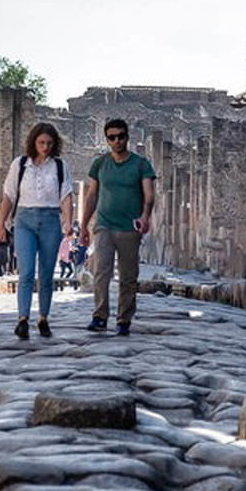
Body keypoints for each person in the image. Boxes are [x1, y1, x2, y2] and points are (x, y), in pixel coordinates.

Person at [0, 122, 74, 339]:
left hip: (50, 220)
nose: (45, 147)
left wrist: (68, 222)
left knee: (46, 274)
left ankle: (43, 318)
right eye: (41, 142)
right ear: (33, 142)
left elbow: (66, 196)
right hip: (24, 220)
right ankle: (22, 319)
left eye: (49, 143)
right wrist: (0, 224)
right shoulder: (20, 165)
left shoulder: (59, 166)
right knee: (27, 272)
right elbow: (9, 196)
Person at [80, 118, 156, 335]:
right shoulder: (100, 164)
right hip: (104, 225)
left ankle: (124, 319)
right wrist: (84, 225)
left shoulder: (141, 164)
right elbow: (92, 195)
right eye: (112, 137)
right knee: (101, 272)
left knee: (128, 277)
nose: (117, 141)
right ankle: (100, 316)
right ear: (107, 140)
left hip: (129, 227)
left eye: (120, 136)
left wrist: (145, 216)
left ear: (127, 137)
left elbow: (149, 195)